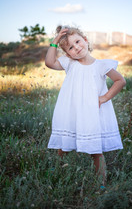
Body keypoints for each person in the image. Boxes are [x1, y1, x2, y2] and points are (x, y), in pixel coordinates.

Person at [45, 25, 126, 187]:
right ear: (67, 53)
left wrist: (104, 98)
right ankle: (57, 172)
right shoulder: (69, 63)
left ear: (86, 40)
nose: (76, 48)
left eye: (78, 41)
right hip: (72, 111)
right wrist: (54, 41)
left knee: (96, 149)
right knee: (65, 145)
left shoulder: (102, 65)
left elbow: (120, 81)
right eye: (71, 48)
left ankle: (100, 183)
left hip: (92, 113)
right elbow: (49, 62)